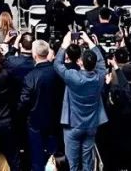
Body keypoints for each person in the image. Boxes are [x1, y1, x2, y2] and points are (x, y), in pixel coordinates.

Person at [54, 31, 107, 171]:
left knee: (72, 163)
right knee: (87, 161)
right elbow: (101, 61)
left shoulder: (74, 77)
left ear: (80, 62)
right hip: (91, 125)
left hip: (73, 125)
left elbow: (57, 65)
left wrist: (64, 45)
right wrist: (90, 42)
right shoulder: (100, 76)